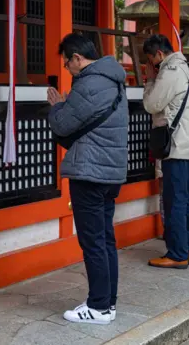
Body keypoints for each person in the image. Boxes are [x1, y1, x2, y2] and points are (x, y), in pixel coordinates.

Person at [47, 33, 128, 325]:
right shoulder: (115, 80)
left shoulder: (87, 85)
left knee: (92, 241)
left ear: (77, 58)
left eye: (67, 63)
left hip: (90, 172)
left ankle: (97, 307)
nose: (67, 69)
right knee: (105, 239)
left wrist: (57, 106)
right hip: (111, 172)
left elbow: (62, 123)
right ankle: (108, 302)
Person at [143, 34, 189, 269]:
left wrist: (150, 81)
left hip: (178, 145)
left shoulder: (170, 71)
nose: (152, 65)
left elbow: (152, 105)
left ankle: (177, 253)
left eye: (151, 60)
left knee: (175, 201)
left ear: (159, 55)